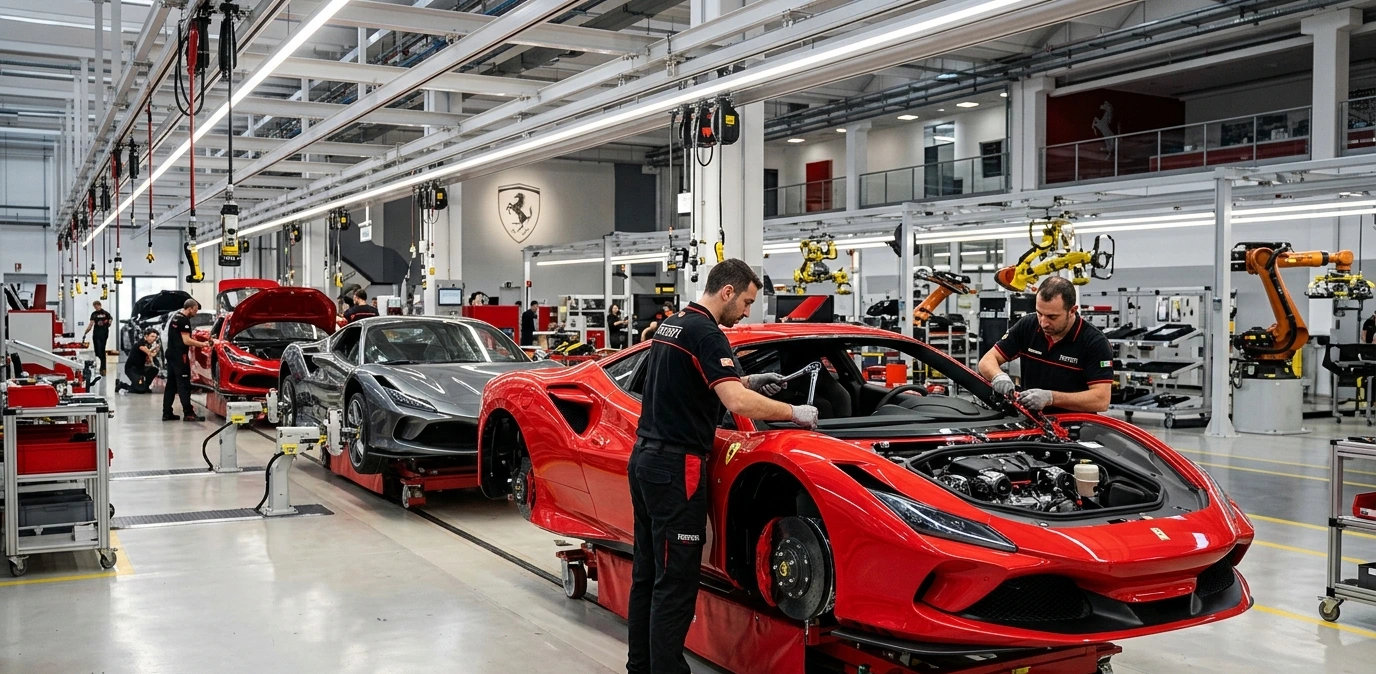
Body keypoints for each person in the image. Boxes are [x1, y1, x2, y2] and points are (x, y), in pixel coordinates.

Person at [626, 259, 818, 674]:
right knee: (675, 582)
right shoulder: (708, 333)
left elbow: (695, 381)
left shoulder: (675, 322)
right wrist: (794, 412)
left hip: (645, 460)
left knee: (647, 574)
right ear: (727, 292)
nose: (747, 311)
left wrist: (749, 380)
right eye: (747, 302)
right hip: (677, 468)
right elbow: (735, 404)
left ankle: (640, 667)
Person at [977, 276, 1113, 413]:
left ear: (1072, 311)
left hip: (1074, 426)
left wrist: (1051, 398)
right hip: (1034, 422)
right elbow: (987, 361)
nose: (1043, 323)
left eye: (1052, 317)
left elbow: (1101, 401)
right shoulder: (1028, 325)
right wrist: (998, 376)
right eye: (1039, 313)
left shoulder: (1094, 342)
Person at [163, 299, 210, 421]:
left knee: (171, 385)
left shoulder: (175, 317)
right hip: (180, 356)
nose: (196, 313)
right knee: (184, 385)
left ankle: (167, 413)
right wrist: (203, 344)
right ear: (190, 308)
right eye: (195, 310)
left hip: (171, 354)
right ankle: (189, 413)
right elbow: (186, 340)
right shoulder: (184, 320)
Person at [116, 329, 160, 395]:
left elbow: (149, 360)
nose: (154, 339)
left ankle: (145, 386)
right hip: (132, 369)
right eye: (152, 336)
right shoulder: (141, 342)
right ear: (146, 336)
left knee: (154, 370)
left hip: (141, 369)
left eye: (155, 337)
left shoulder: (150, 345)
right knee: (140, 390)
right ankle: (122, 385)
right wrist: (155, 349)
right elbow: (149, 353)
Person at [83, 300, 114, 375]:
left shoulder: (103, 313)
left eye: (96, 306)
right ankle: (100, 366)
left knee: (101, 350)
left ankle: (103, 369)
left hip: (102, 334)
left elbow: (110, 320)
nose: (96, 308)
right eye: (94, 307)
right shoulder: (97, 314)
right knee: (98, 350)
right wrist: (86, 332)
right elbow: (91, 325)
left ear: (100, 305)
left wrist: (108, 323)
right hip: (99, 334)